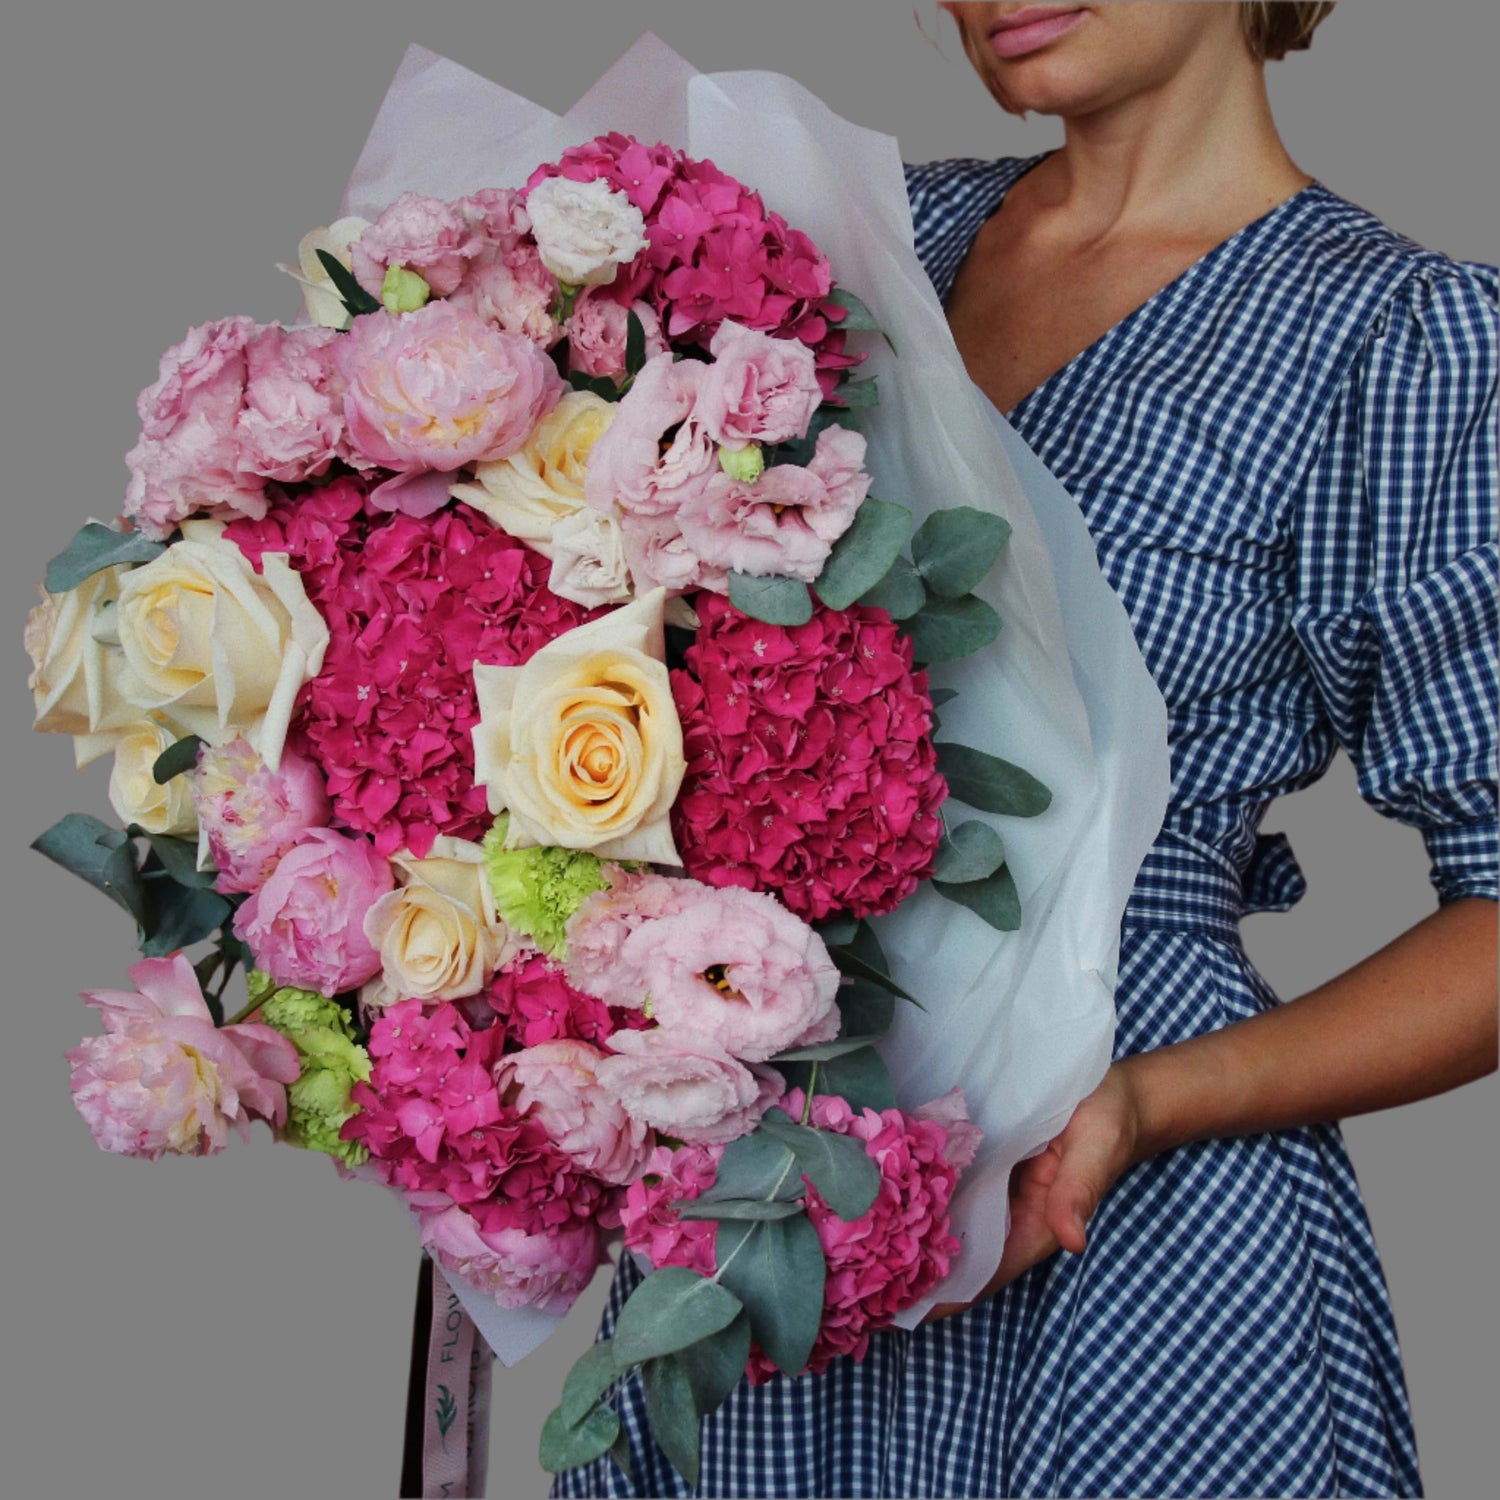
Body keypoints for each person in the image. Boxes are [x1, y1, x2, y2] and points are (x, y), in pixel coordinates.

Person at [556, 3, 1498, 1495]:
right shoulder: (855, 247)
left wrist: (1153, 1102)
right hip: (773, 1183)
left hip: (1142, 1233)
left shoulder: (1394, 339)